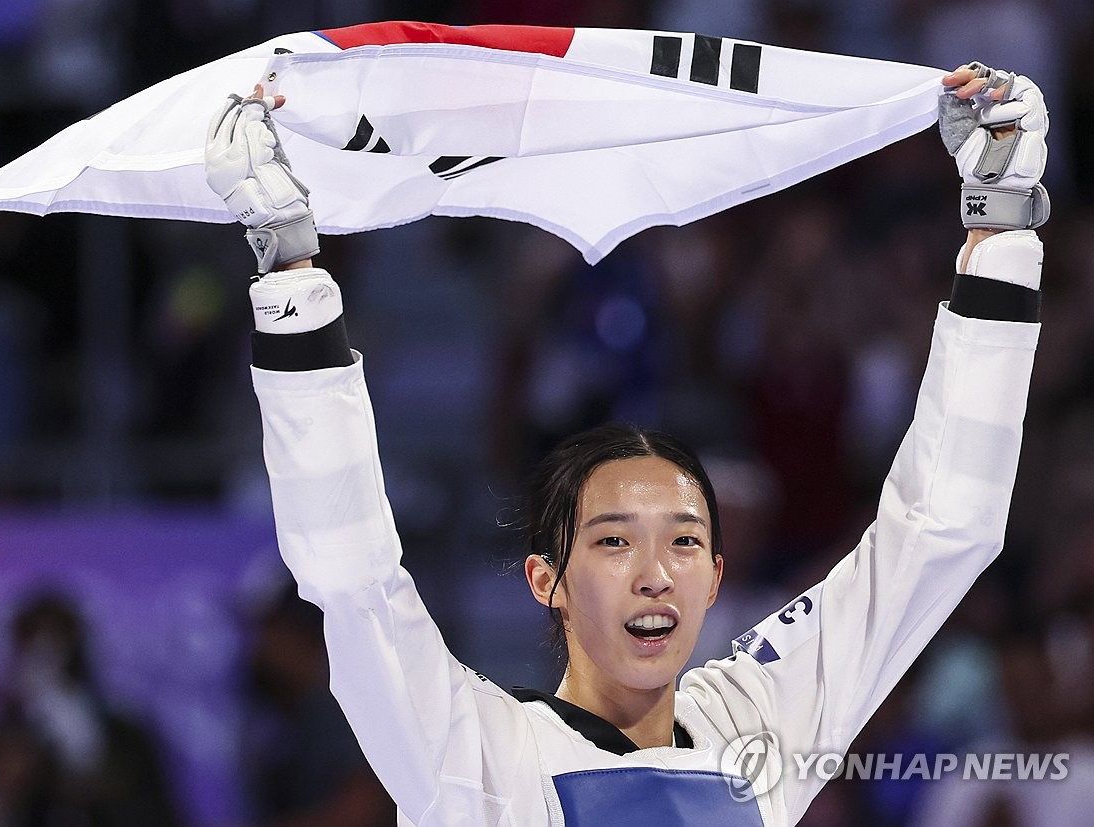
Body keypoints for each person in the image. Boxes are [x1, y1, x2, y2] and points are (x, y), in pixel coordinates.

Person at [204, 60, 1048, 825]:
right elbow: (354, 584)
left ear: (716, 576)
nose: (656, 571)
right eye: (613, 540)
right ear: (548, 580)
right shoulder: (478, 757)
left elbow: (941, 530)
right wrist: (290, 276)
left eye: (685, 541)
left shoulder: (754, 727)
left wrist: (1000, 234)